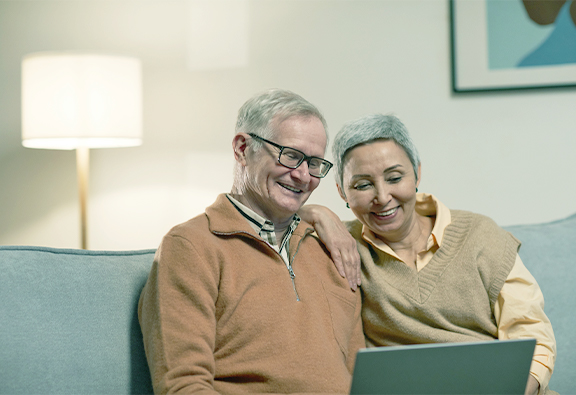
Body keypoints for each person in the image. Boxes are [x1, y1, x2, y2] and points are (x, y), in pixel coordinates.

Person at [300, 114, 557, 395]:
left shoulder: (480, 234)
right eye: (362, 185)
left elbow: (532, 335)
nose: (383, 197)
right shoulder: (341, 247)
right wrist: (314, 212)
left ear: (417, 174)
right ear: (341, 192)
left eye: (394, 178)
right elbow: (258, 216)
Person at [138, 89, 365, 394]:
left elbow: (362, 379)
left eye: (314, 163)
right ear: (243, 149)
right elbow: (183, 386)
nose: (303, 176)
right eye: (291, 155)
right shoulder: (190, 247)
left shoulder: (334, 249)